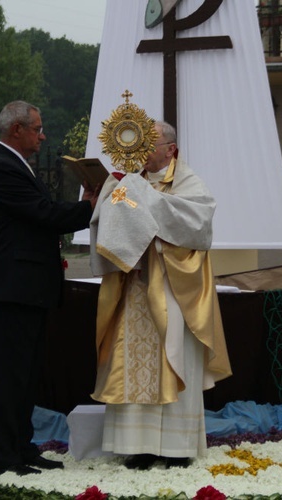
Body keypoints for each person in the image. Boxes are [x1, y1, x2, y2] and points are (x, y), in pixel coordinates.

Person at [89, 121, 232, 470]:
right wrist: (114, 194)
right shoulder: (127, 180)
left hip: (171, 288)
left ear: (170, 149)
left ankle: (177, 447)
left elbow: (198, 225)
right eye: (140, 142)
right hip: (135, 287)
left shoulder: (187, 181)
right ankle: (139, 445)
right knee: (133, 365)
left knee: (173, 359)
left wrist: (140, 195)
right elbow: (106, 219)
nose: (142, 150)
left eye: (150, 143)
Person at [0, 100, 99, 476]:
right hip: (10, 289)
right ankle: (1, 456)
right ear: (17, 130)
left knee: (27, 376)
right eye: (37, 128)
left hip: (26, 289)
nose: (43, 135)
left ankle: (21, 446)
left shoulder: (18, 166)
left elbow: (38, 213)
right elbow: (42, 215)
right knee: (10, 375)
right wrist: (89, 206)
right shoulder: (0, 168)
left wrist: (83, 203)